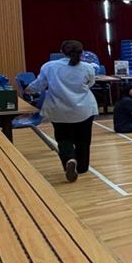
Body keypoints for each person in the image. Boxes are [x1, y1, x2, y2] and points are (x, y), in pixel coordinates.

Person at [28, 39, 98, 182]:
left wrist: (28, 89)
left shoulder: (49, 66)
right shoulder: (88, 67)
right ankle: (82, 167)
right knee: (83, 140)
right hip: (84, 109)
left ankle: (69, 159)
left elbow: (40, 84)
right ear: (81, 53)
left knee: (63, 138)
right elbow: (90, 83)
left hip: (59, 109)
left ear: (61, 51)